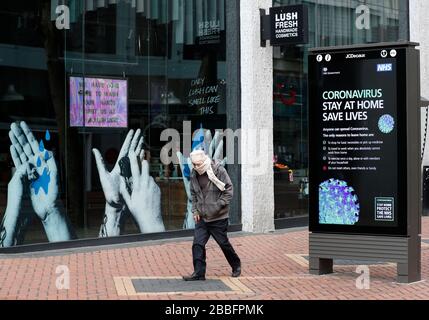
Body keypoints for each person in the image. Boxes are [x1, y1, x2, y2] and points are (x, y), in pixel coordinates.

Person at [183, 150, 241, 281]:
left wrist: (217, 206)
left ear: (204, 161)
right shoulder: (194, 174)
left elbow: (229, 190)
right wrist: (195, 211)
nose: (196, 167)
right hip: (202, 218)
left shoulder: (218, 170)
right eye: (194, 164)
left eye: (198, 164)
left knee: (223, 244)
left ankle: (236, 265)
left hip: (218, 217)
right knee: (197, 244)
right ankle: (199, 273)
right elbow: (193, 194)